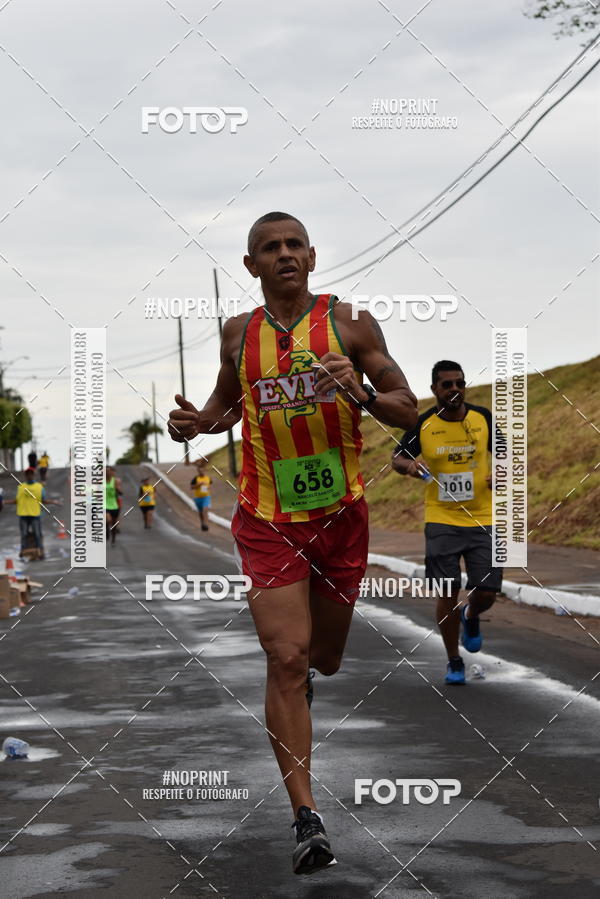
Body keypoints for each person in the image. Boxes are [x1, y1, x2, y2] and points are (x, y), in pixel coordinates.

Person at [168, 212, 418, 875]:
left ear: (311, 256)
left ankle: (307, 677)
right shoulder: (237, 334)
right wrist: (195, 423)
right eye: (269, 248)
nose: (283, 254)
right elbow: (227, 406)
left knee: (323, 660)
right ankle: (306, 816)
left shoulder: (350, 323)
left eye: (293, 245)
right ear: (251, 265)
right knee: (285, 655)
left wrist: (359, 390)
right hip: (268, 519)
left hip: (340, 516)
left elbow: (407, 407)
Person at [391, 360, 502, 686]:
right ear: (434, 389)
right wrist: (409, 467)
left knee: (486, 592)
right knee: (447, 590)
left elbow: (507, 454)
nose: (454, 389)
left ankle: (471, 614)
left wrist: (502, 472)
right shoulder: (424, 424)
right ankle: (454, 660)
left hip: (483, 518)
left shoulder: (482, 418)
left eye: (459, 383)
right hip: (441, 519)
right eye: (447, 384)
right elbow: (397, 457)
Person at [4, 467, 60, 560]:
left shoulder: (39, 487)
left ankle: (40, 552)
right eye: (27, 474)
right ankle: (23, 552)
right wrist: (4, 502)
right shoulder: (21, 487)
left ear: (34, 475)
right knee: (24, 535)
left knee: (37, 534)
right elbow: (16, 500)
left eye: (31, 474)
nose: (29, 476)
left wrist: (53, 502)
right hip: (23, 515)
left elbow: (43, 500)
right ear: (25, 476)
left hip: (35, 515)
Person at [190, 463, 211, 531]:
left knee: (205, 509)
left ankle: (206, 524)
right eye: (200, 471)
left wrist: (208, 488)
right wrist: (198, 484)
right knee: (201, 512)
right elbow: (191, 487)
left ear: (204, 470)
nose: (201, 472)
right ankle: (202, 523)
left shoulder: (208, 478)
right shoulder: (196, 478)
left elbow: (209, 485)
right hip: (198, 498)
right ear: (198, 471)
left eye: (202, 470)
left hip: (206, 497)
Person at [105, 466, 122, 545]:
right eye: (105, 471)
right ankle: (107, 531)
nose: (107, 472)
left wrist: (118, 489)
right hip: (104, 504)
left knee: (114, 523)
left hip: (114, 504)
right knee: (107, 520)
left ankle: (113, 538)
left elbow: (120, 493)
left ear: (111, 472)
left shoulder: (116, 481)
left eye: (108, 471)